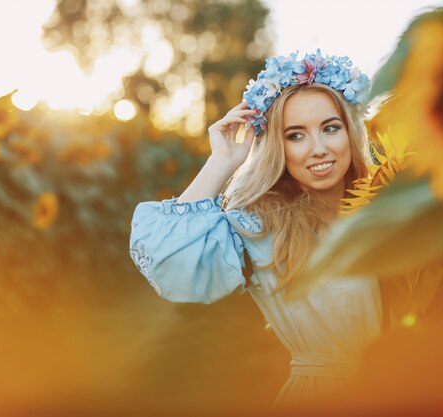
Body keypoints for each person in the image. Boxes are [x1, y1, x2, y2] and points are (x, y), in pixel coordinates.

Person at [129, 50, 383, 411]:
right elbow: (166, 257)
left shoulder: (388, 209)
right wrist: (222, 162)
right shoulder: (263, 227)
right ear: (278, 147)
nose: (318, 149)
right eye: (296, 135)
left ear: (349, 133)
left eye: (330, 128)